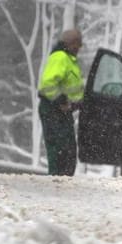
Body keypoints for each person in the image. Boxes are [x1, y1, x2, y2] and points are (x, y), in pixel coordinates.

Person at [37, 28, 85, 177]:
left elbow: (70, 87)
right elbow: (47, 84)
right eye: (78, 44)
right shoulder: (60, 58)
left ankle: (62, 180)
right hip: (52, 109)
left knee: (68, 150)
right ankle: (56, 180)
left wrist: (78, 102)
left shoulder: (69, 60)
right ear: (71, 43)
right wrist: (60, 99)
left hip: (62, 111)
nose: (79, 48)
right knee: (60, 149)